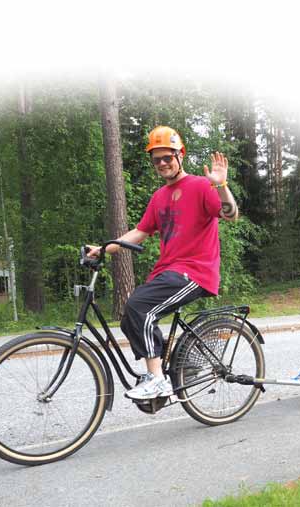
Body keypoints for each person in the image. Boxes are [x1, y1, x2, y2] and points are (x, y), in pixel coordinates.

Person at [87, 126, 239, 400]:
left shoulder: (201, 185)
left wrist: (221, 185)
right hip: (169, 271)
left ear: (180, 155)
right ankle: (182, 361)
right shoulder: (159, 197)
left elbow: (231, 215)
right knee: (130, 320)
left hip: (196, 272)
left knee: (139, 307)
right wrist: (103, 249)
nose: (162, 164)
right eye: (156, 160)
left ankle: (157, 380)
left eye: (167, 157)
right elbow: (139, 232)